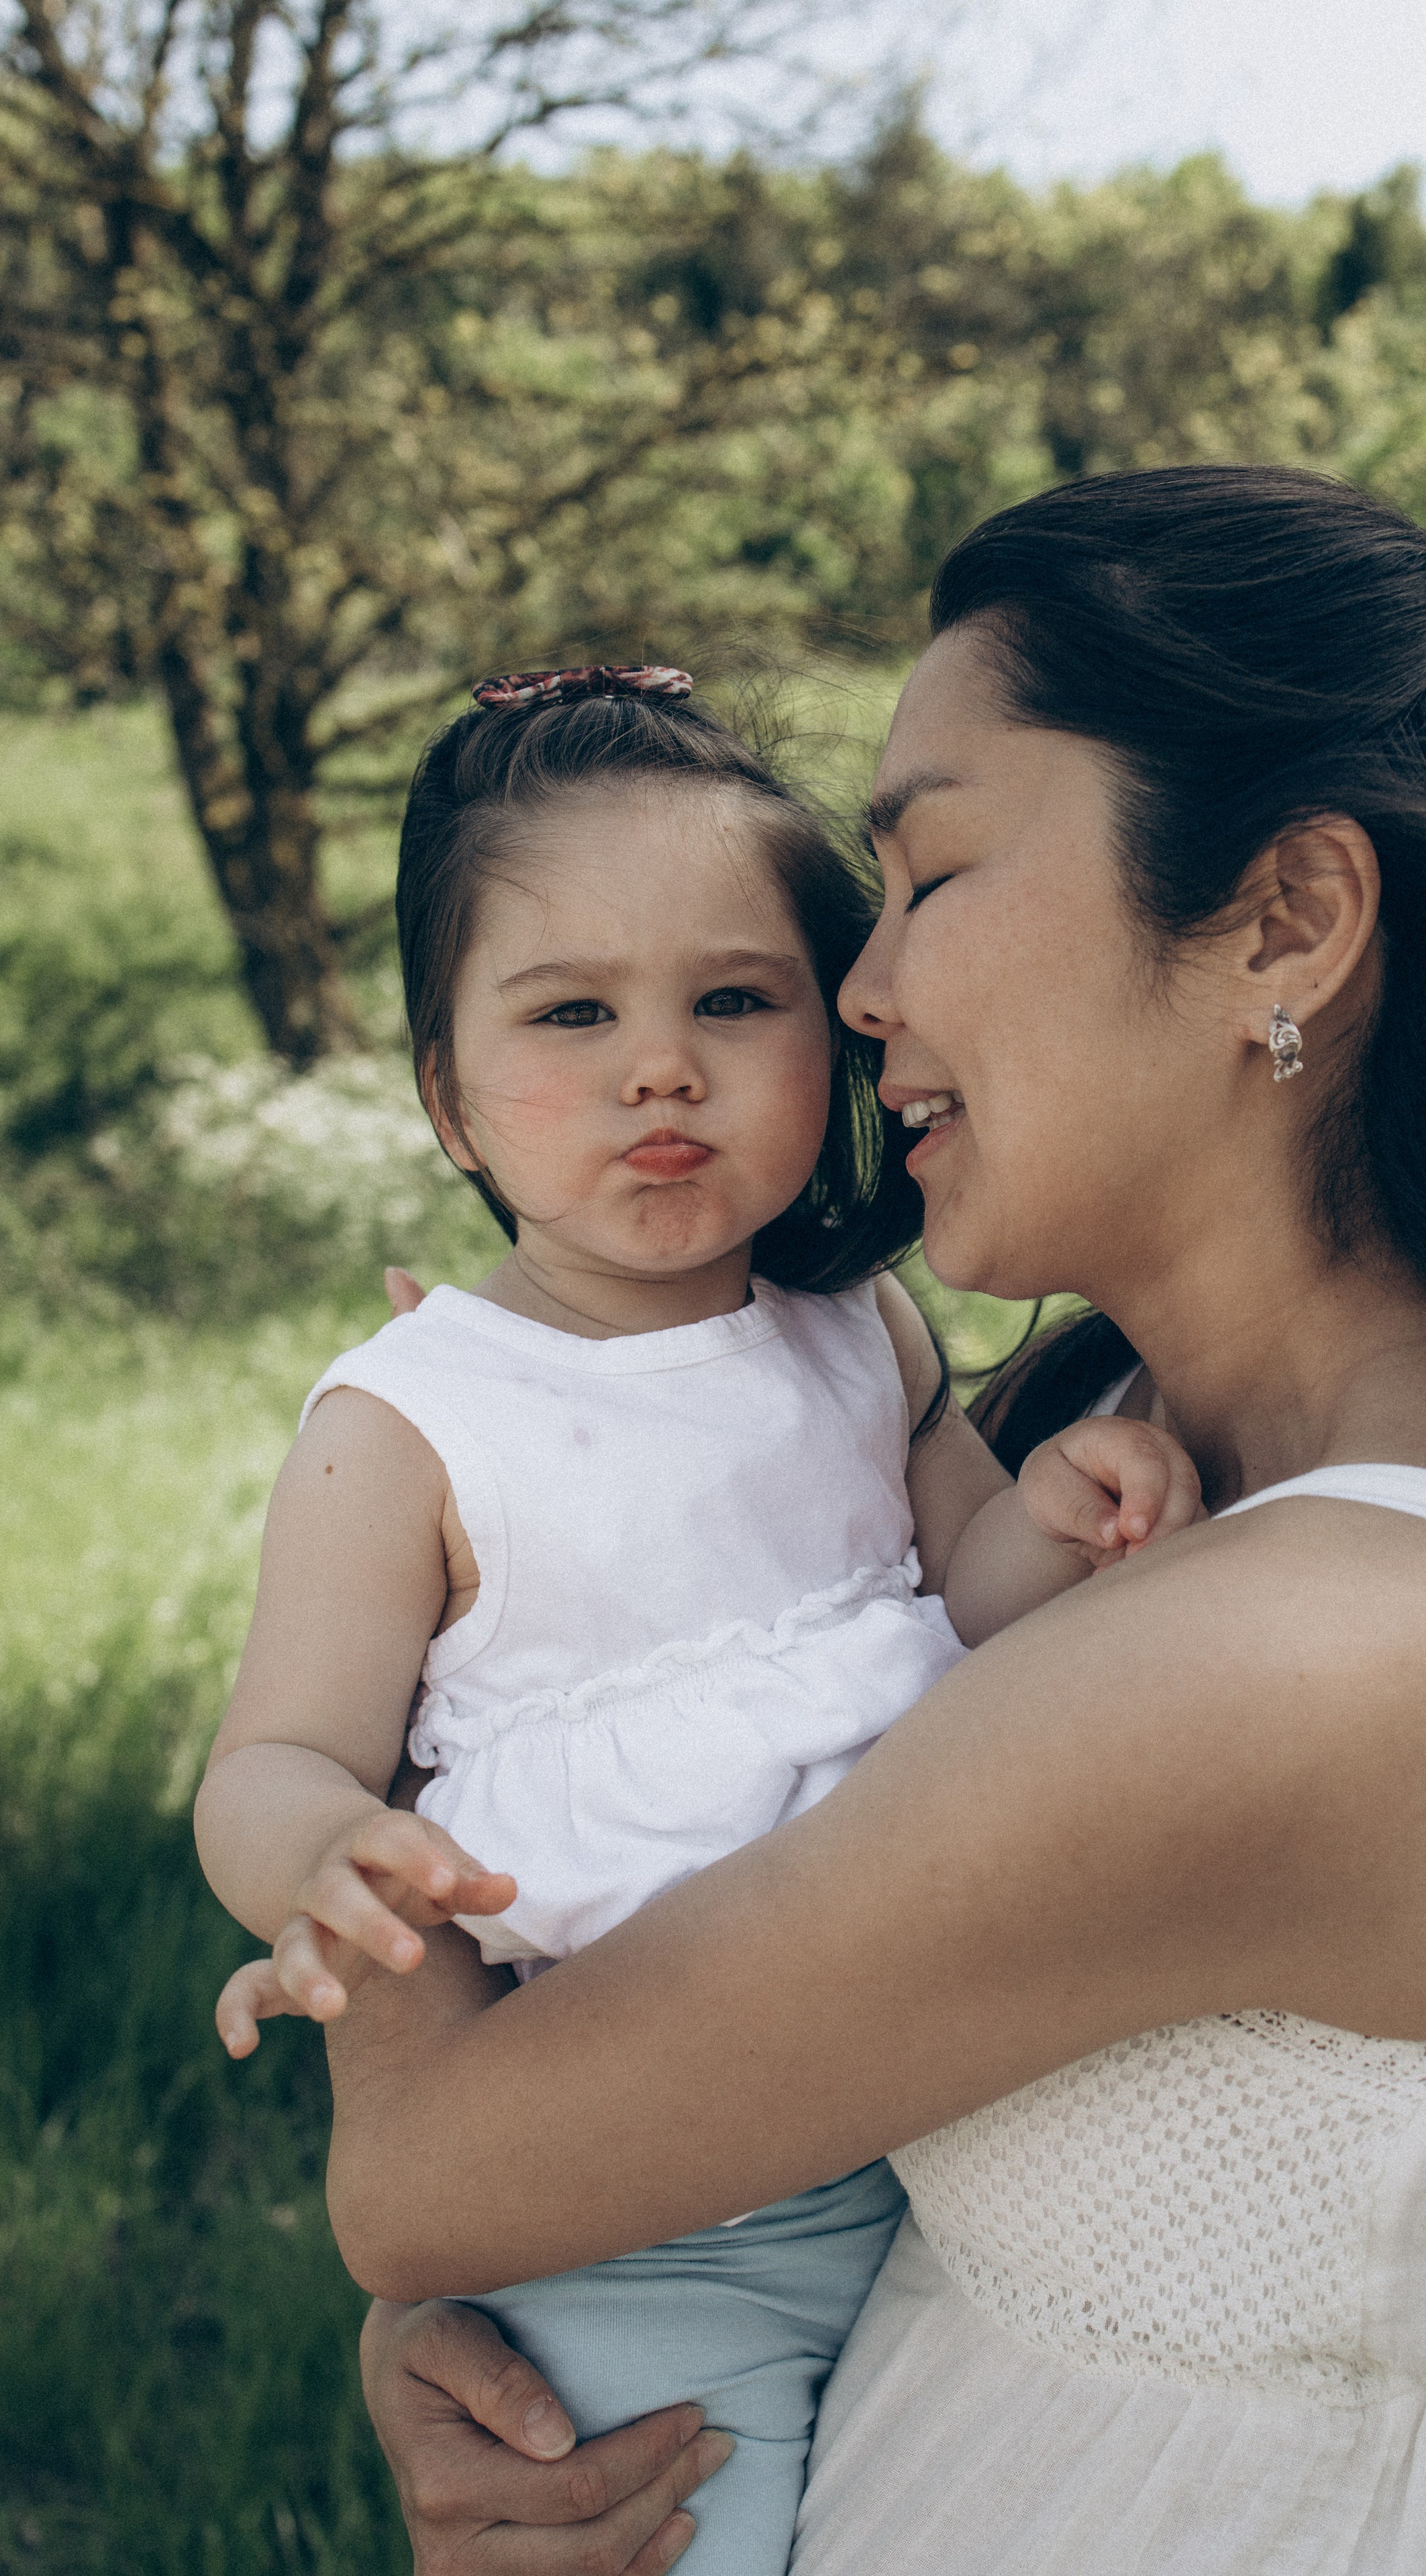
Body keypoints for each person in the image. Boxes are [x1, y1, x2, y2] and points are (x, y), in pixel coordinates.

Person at [326, 468, 1426, 2574]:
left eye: (932, 874)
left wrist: (406, 1618)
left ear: (1286, 923)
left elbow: (425, 2167)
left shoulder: (1310, 1657)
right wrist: (568, 2347)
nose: (856, 993)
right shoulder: (1142, 1454)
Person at [192, 661, 1196, 2576]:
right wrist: (325, 1858)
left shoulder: (852, 1333)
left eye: (733, 1002)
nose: (663, 1069)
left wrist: (1061, 1522)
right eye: (573, 1014)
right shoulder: (414, 1422)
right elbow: (277, 1753)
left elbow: (952, 1601)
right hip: (644, 2202)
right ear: (448, 1096)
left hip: (922, 2130)